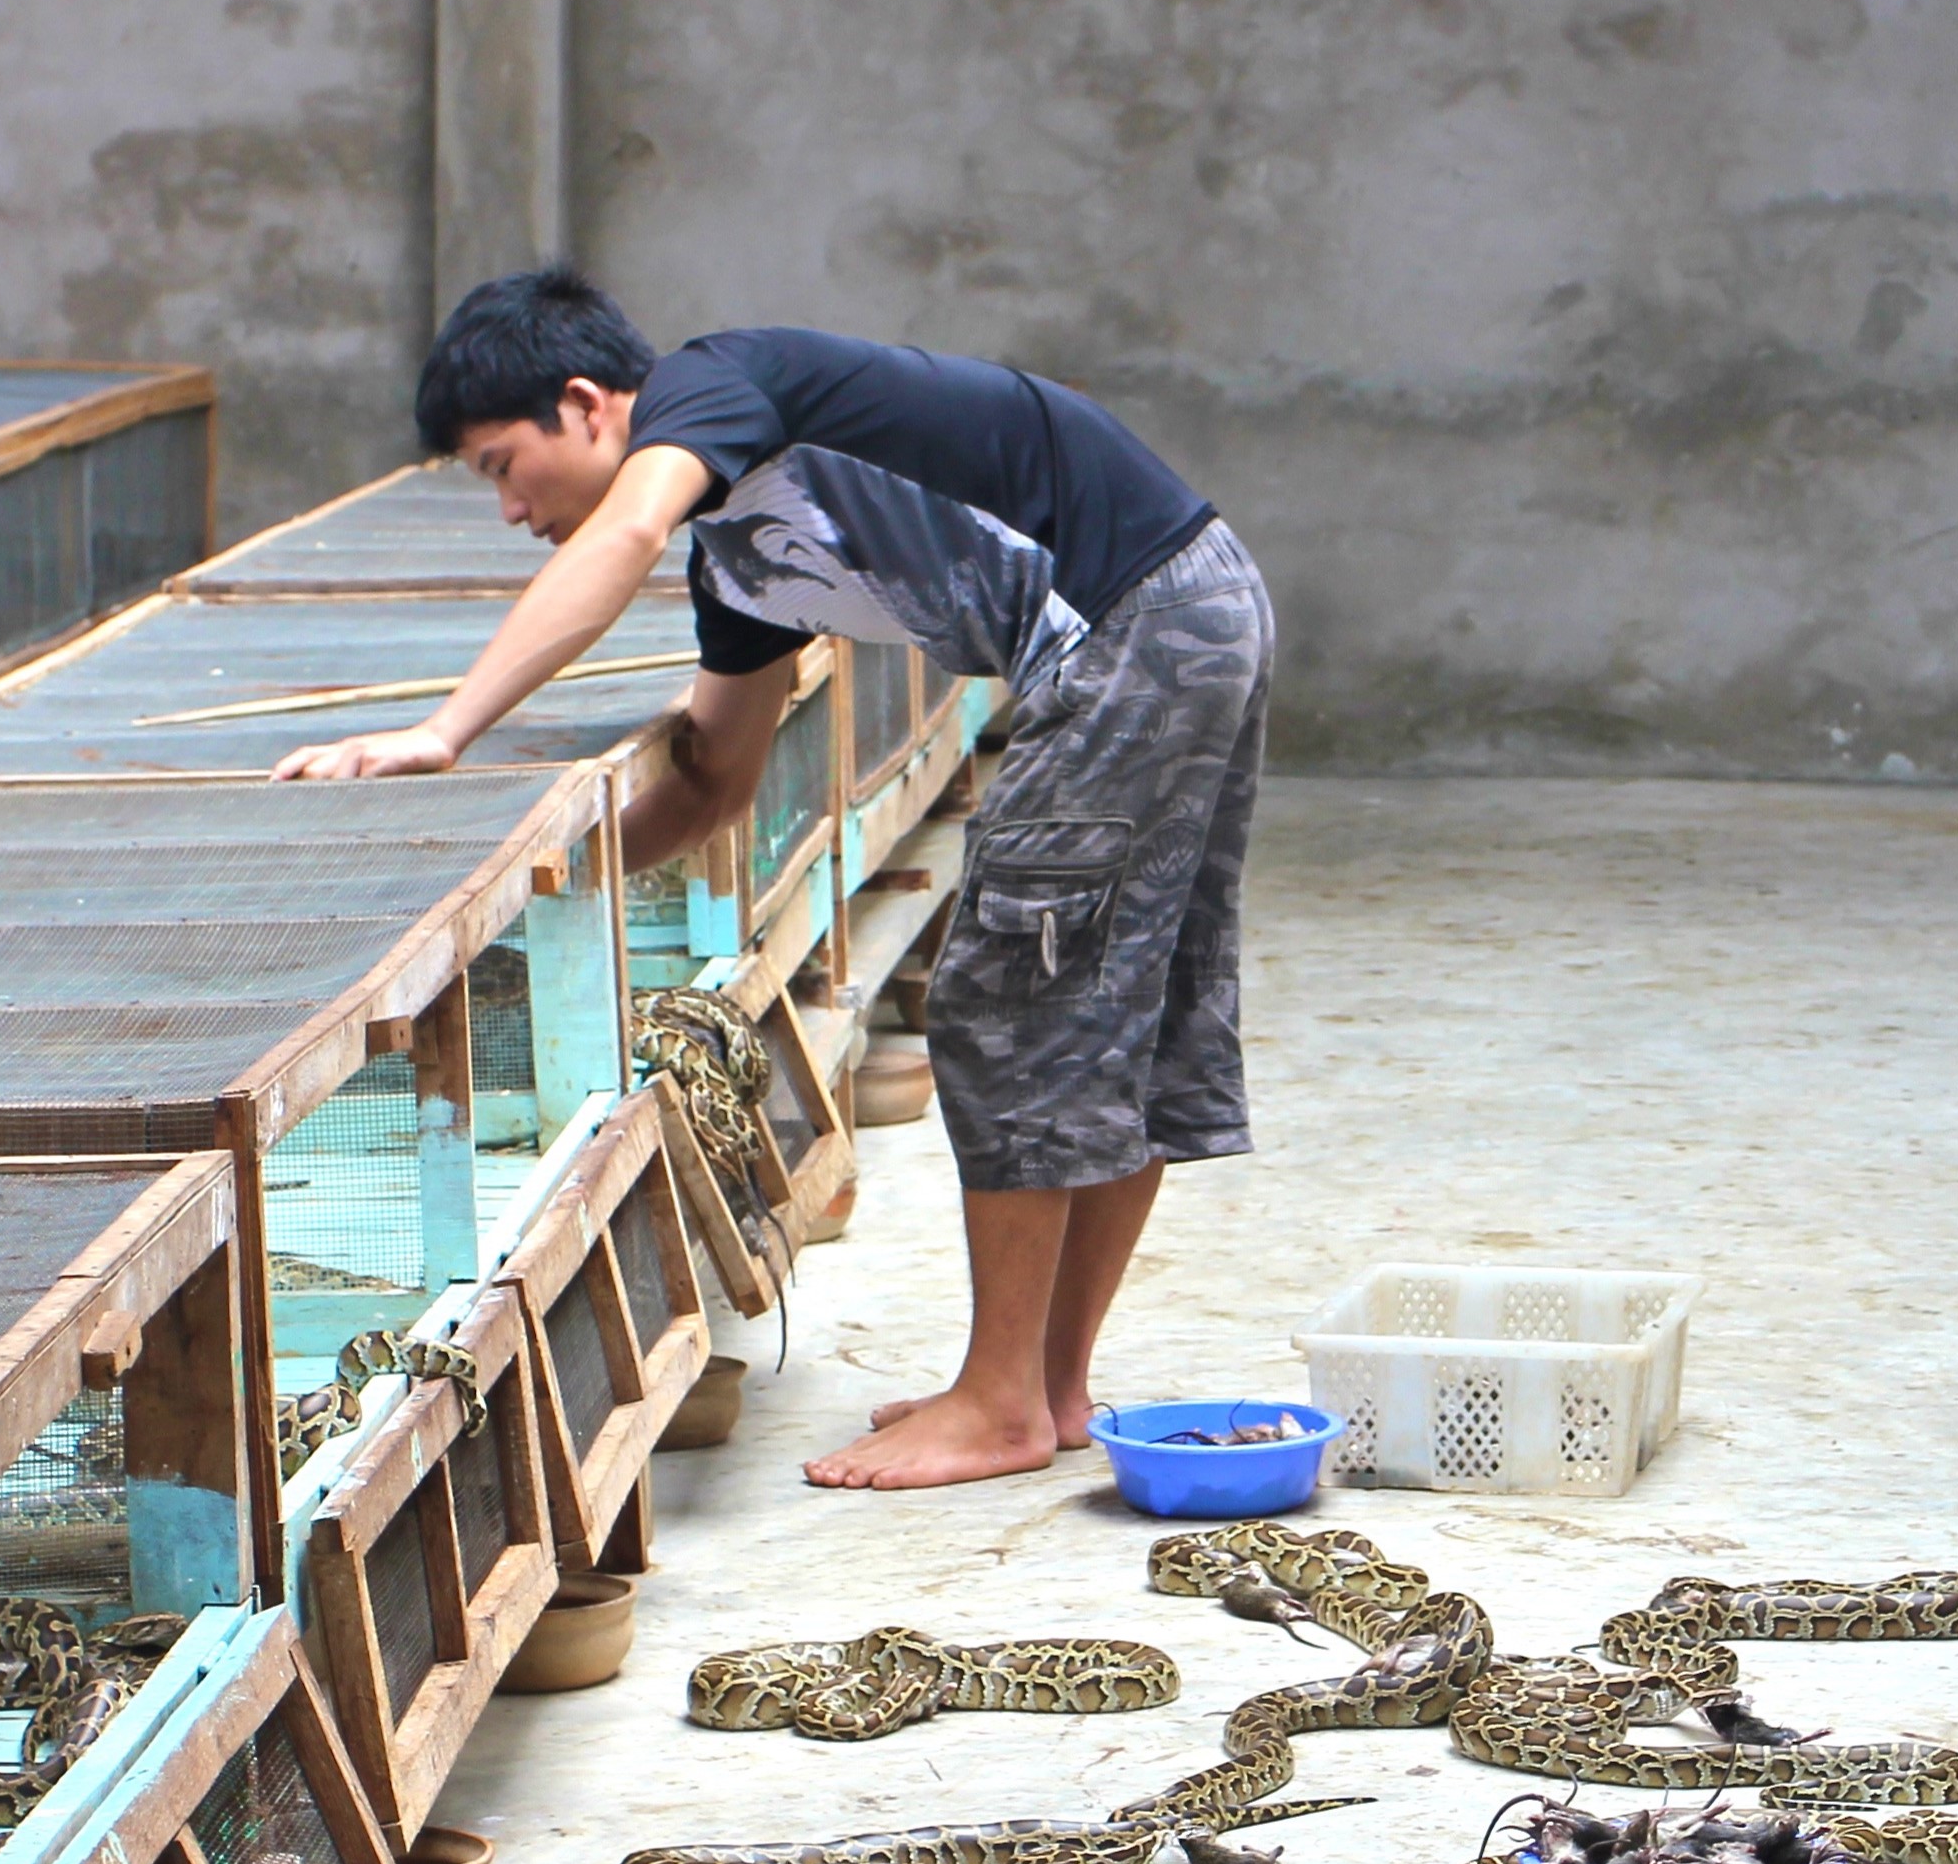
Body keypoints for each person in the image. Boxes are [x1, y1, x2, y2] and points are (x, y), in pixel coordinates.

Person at [279, 273, 1271, 1491]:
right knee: (1100, 1008)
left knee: (1012, 1010)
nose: (507, 509)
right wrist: (524, 890)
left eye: (500, 464)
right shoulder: (743, 569)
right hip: (1180, 613)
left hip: (1137, 626)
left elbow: (628, 529)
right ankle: (1049, 1390)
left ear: (590, 406)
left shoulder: (713, 381)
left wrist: (447, 731)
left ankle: (1001, 1400)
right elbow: (710, 789)